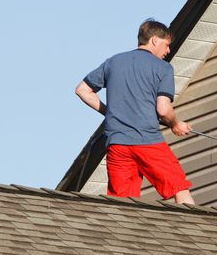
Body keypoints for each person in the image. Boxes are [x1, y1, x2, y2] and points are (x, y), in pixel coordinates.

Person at [75, 19, 196, 204]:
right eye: (167, 45)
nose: (168, 51)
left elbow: (82, 90)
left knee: (121, 205)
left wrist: (109, 112)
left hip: (118, 145)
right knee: (180, 189)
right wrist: (175, 124)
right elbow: (163, 109)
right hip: (148, 141)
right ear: (155, 40)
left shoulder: (113, 62)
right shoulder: (163, 68)